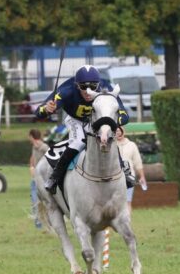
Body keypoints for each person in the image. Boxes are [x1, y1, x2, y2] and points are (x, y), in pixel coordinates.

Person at [35, 65, 133, 194]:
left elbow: (124, 116)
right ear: (76, 85)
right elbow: (39, 112)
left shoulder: (107, 89)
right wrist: (47, 109)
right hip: (75, 120)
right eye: (83, 87)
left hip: (98, 121)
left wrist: (113, 124)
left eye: (93, 87)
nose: (87, 91)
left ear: (98, 84)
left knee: (108, 139)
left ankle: (124, 172)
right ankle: (55, 177)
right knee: (78, 142)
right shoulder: (66, 90)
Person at [115, 127, 147, 208]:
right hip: (113, 178)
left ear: (124, 132)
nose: (118, 132)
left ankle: (127, 220)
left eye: (120, 130)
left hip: (128, 177)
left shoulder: (132, 145)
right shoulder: (111, 145)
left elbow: (138, 162)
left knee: (127, 201)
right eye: (116, 131)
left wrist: (142, 177)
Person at [28, 129, 49, 228]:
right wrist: (31, 166)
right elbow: (32, 157)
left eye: (29, 136)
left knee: (40, 201)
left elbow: (50, 158)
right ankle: (38, 223)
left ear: (32, 136)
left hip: (42, 178)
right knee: (34, 200)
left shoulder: (44, 147)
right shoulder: (34, 146)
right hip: (35, 177)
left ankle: (44, 223)